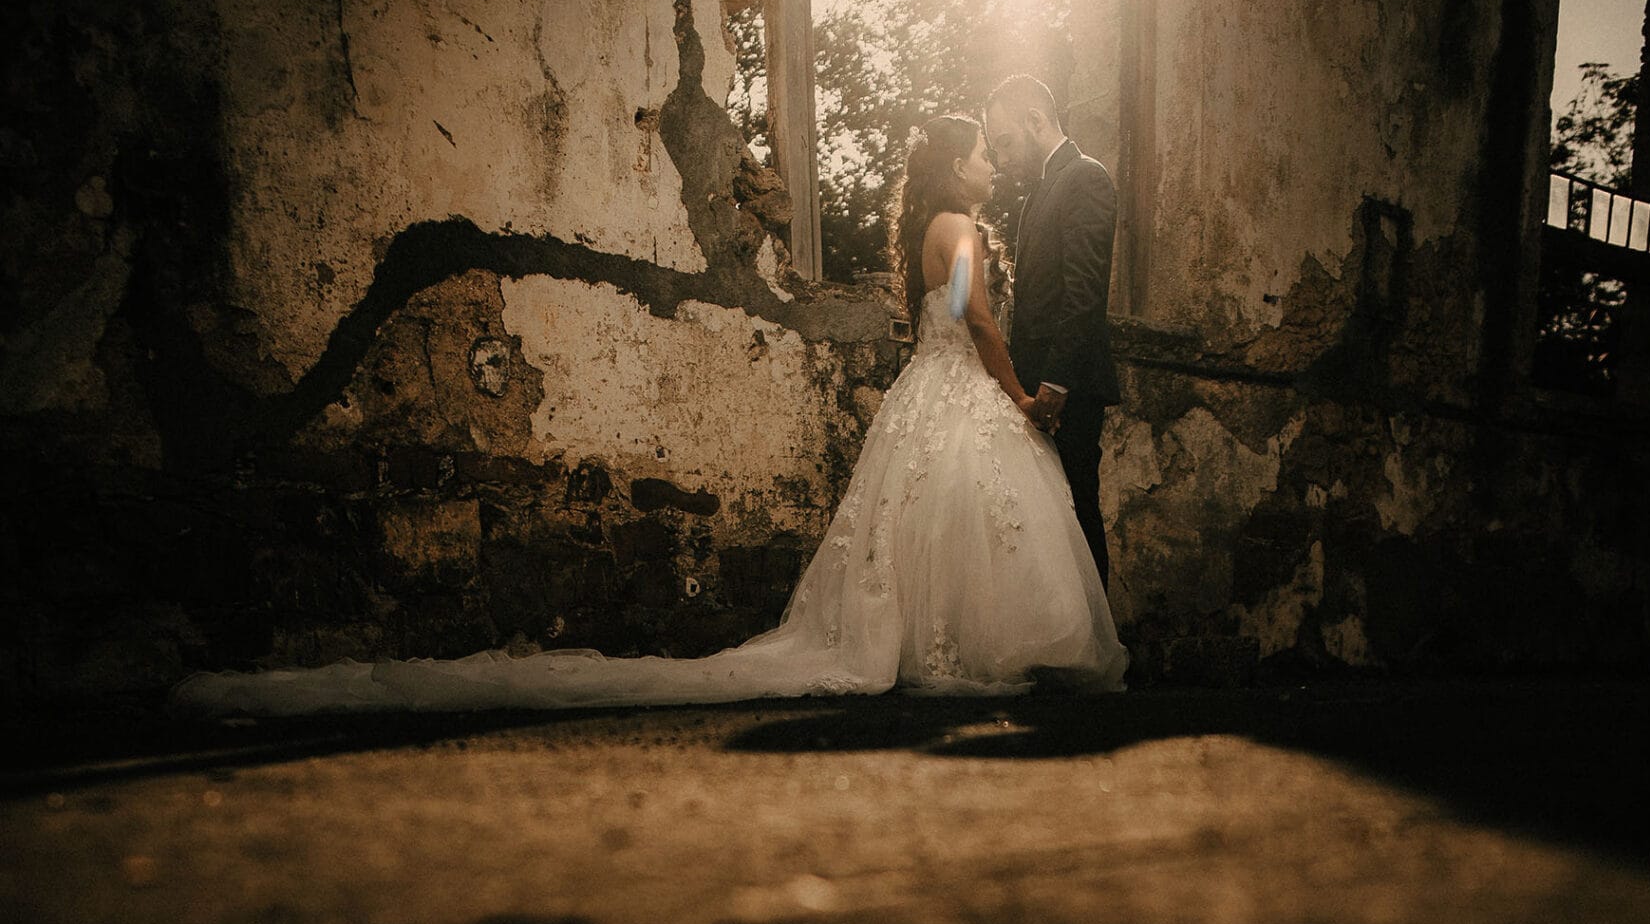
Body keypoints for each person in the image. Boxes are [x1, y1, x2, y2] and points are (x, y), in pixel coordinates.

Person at [174, 116, 1124, 720]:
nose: (994, 164)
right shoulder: (959, 231)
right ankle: (981, 656)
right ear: (957, 165)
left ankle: (937, 647)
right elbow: (976, 318)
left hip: (927, 390)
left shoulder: (927, 229)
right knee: (979, 511)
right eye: (983, 152)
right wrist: (1020, 395)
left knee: (925, 518)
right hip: (963, 385)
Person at [982, 73, 1120, 586]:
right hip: (1036, 385)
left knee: (1078, 514)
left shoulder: (1085, 178)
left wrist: (1055, 383)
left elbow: (1084, 296)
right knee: (1048, 526)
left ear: (1036, 120)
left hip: (1069, 388)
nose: (1000, 159)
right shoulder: (1037, 193)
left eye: (1006, 142)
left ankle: (1096, 652)